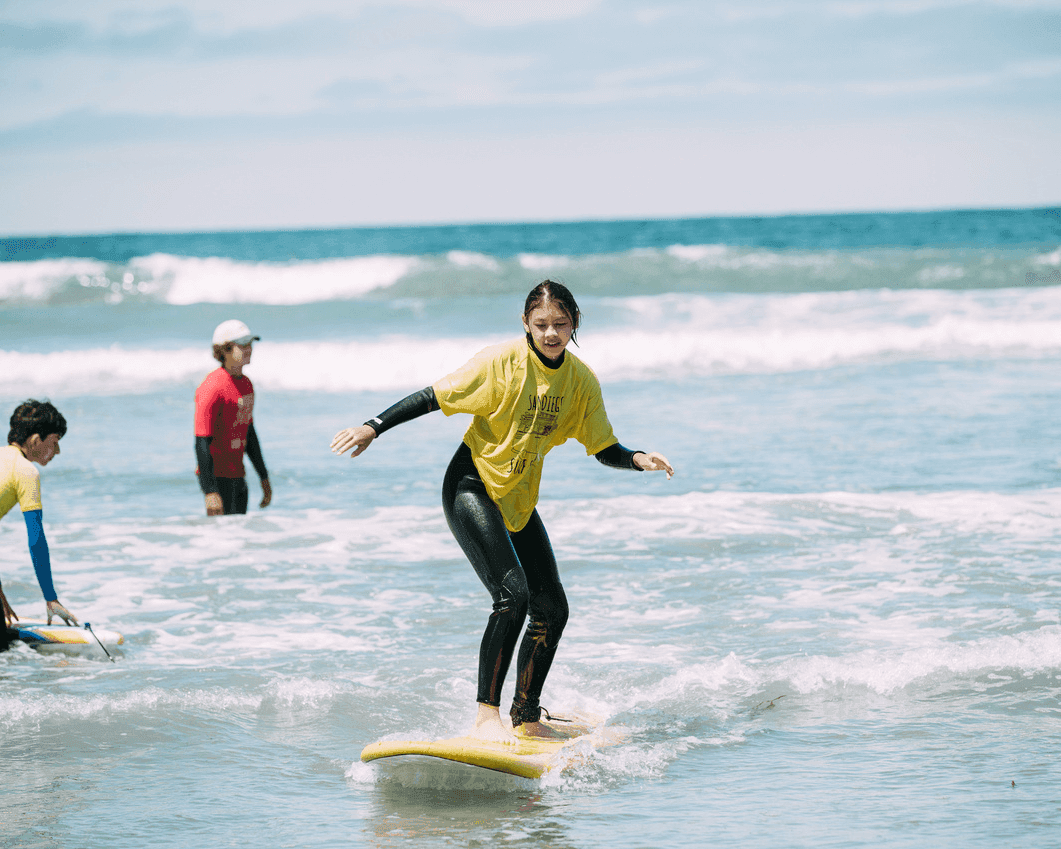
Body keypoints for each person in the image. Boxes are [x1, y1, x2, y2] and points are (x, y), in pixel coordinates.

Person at [331, 280, 674, 745]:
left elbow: (602, 446)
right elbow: (434, 396)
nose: (551, 334)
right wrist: (374, 426)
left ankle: (526, 716)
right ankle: (485, 719)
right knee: (513, 595)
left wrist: (636, 458)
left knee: (552, 607)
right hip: (470, 487)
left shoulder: (581, 382)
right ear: (525, 324)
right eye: (541, 325)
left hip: (516, 499)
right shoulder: (500, 362)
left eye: (560, 324)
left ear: (575, 323)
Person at [1, 399, 79, 631]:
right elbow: (36, 540)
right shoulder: (26, 472)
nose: (57, 451)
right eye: (54, 442)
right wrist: (51, 598)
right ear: (36, 440)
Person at [194, 319, 272, 516]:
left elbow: (249, 434)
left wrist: (263, 477)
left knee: (237, 539)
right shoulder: (212, 387)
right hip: (217, 479)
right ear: (225, 350)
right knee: (221, 540)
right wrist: (209, 490)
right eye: (242, 344)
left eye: (250, 344)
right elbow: (202, 441)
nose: (249, 349)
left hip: (238, 476)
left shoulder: (246, 385)